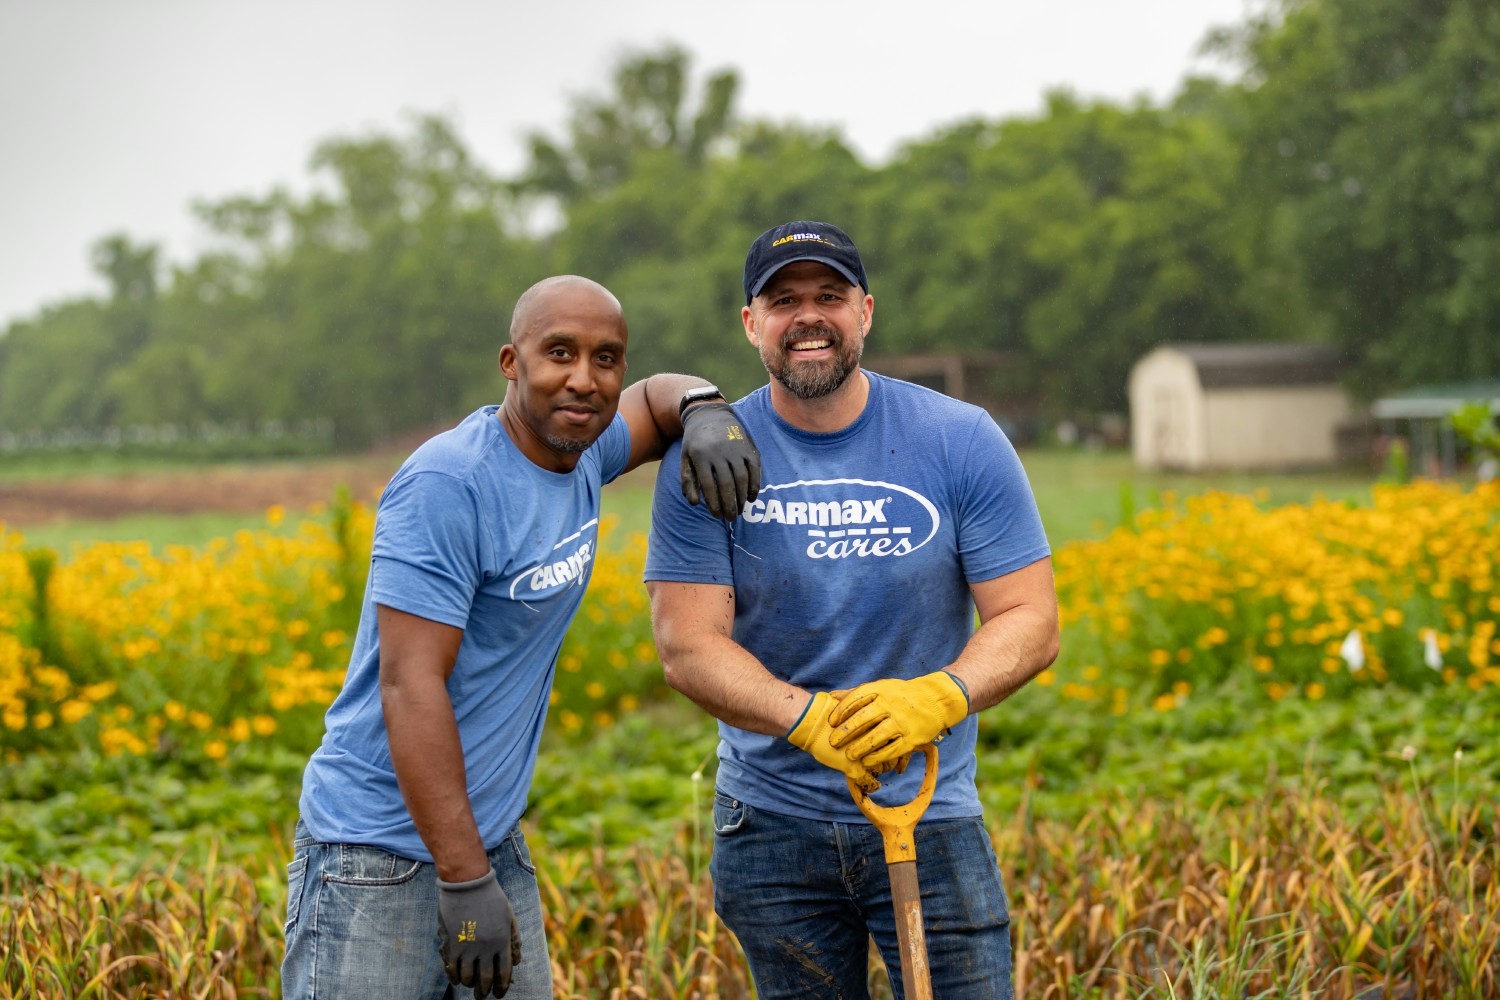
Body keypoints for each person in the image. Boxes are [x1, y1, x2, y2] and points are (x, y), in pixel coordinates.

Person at [282, 274, 761, 1000]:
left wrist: (704, 408)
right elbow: (409, 686)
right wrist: (464, 879)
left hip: (489, 840)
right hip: (380, 858)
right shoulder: (452, 483)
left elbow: (661, 395)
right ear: (512, 363)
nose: (584, 379)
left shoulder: (583, 455)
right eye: (558, 353)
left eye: (606, 358)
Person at [645, 222, 1059, 998]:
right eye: (783, 299)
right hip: (769, 831)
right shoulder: (708, 459)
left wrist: (941, 696)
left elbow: (1030, 618)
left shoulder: (959, 439)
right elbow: (688, 647)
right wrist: (808, 721)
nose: (809, 316)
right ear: (750, 323)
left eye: (829, 296)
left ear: (865, 311)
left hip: (929, 818)